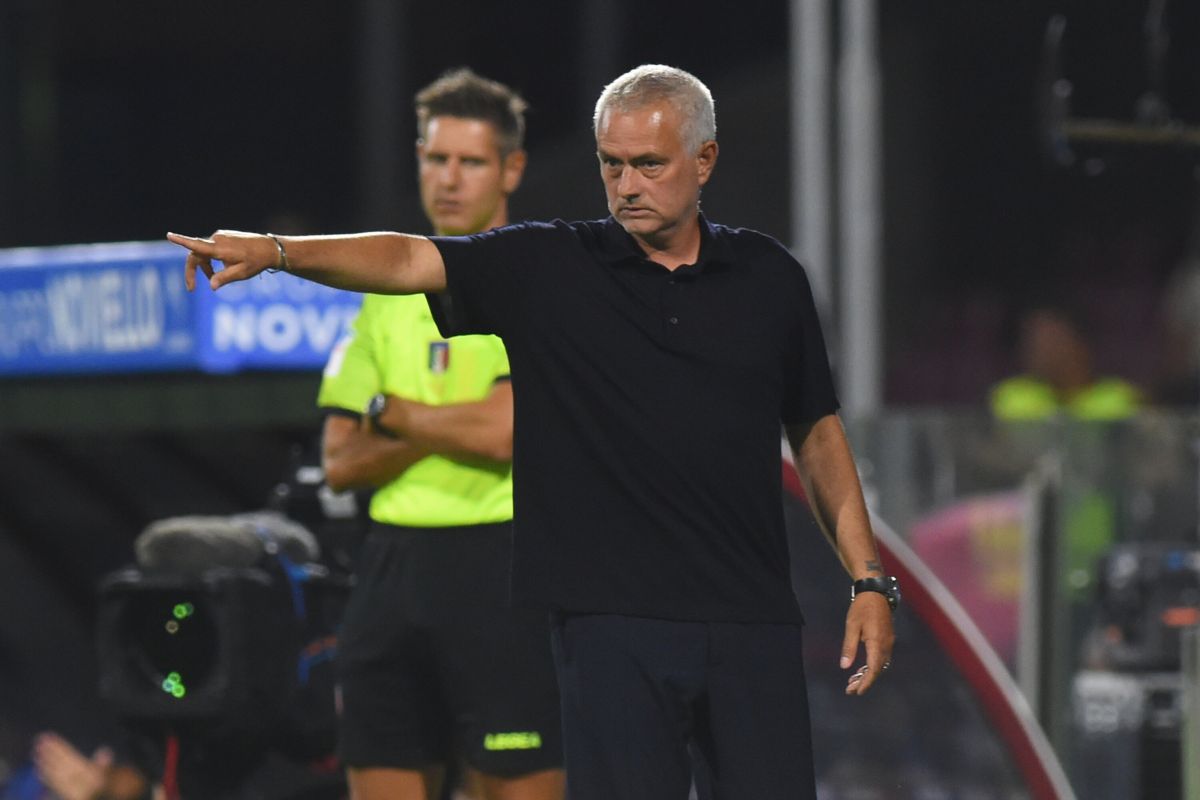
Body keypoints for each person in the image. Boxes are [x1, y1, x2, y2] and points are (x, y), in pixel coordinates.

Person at [168, 64, 897, 800]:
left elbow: (816, 431)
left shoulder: (770, 277)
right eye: (611, 164)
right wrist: (279, 251)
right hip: (610, 630)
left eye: (649, 164)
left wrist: (867, 578)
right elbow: (409, 255)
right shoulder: (551, 264)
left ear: (704, 159)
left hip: (750, 621)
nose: (626, 185)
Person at [314, 69, 564, 800]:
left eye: (471, 161)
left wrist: (394, 413)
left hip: (501, 561)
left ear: (512, 169)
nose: (448, 178)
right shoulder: (382, 295)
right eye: (436, 158)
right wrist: (453, 423)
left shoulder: (539, 280)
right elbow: (340, 459)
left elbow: (504, 433)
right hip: (390, 569)